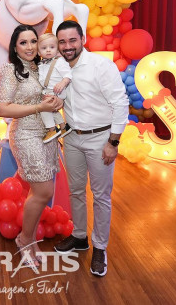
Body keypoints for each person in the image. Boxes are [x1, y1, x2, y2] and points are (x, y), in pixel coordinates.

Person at [53, 20, 129, 277]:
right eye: (62, 42)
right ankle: (79, 236)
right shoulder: (59, 67)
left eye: (72, 40)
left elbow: (120, 104)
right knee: (75, 191)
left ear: (82, 40)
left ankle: (100, 247)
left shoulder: (100, 66)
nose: (67, 46)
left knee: (101, 196)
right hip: (72, 138)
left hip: (101, 139)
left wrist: (113, 143)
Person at [0, 24, 64, 270]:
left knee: (39, 191)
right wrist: (39, 107)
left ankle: (31, 240)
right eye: (23, 42)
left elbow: (53, 93)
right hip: (25, 134)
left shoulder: (42, 67)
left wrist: (56, 101)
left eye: (33, 41)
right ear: (15, 47)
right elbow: (3, 108)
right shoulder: (11, 70)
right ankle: (24, 239)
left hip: (47, 134)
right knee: (44, 191)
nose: (30, 46)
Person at [37, 33, 73, 143]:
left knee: (44, 109)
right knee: (52, 110)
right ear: (38, 51)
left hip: (57, 90)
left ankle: (52, 130)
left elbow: (68, 74)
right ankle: (63, 127)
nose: (48, 50)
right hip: (49, 90)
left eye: (52, 47)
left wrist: (63, 83)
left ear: (57, 49)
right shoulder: (41, 64)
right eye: (44, 48)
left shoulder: (59, 61)